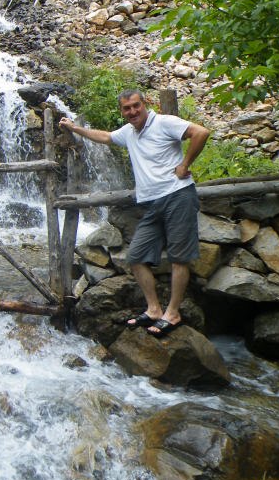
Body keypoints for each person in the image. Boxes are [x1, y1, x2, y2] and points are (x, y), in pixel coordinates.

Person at [59, 89, 210, 338]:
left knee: (178, 258)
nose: (132, 111)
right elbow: (106, 137)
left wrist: (184, 165)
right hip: (151, 204)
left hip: (177, 196)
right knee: (136, 256)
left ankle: (172, 313)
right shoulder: (129, 133)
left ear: (145, 104)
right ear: (122, 111)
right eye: (126, 108)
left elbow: (201, 132)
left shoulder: (164, 123)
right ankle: (153, 309)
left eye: (135, 106)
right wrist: (76, 129)